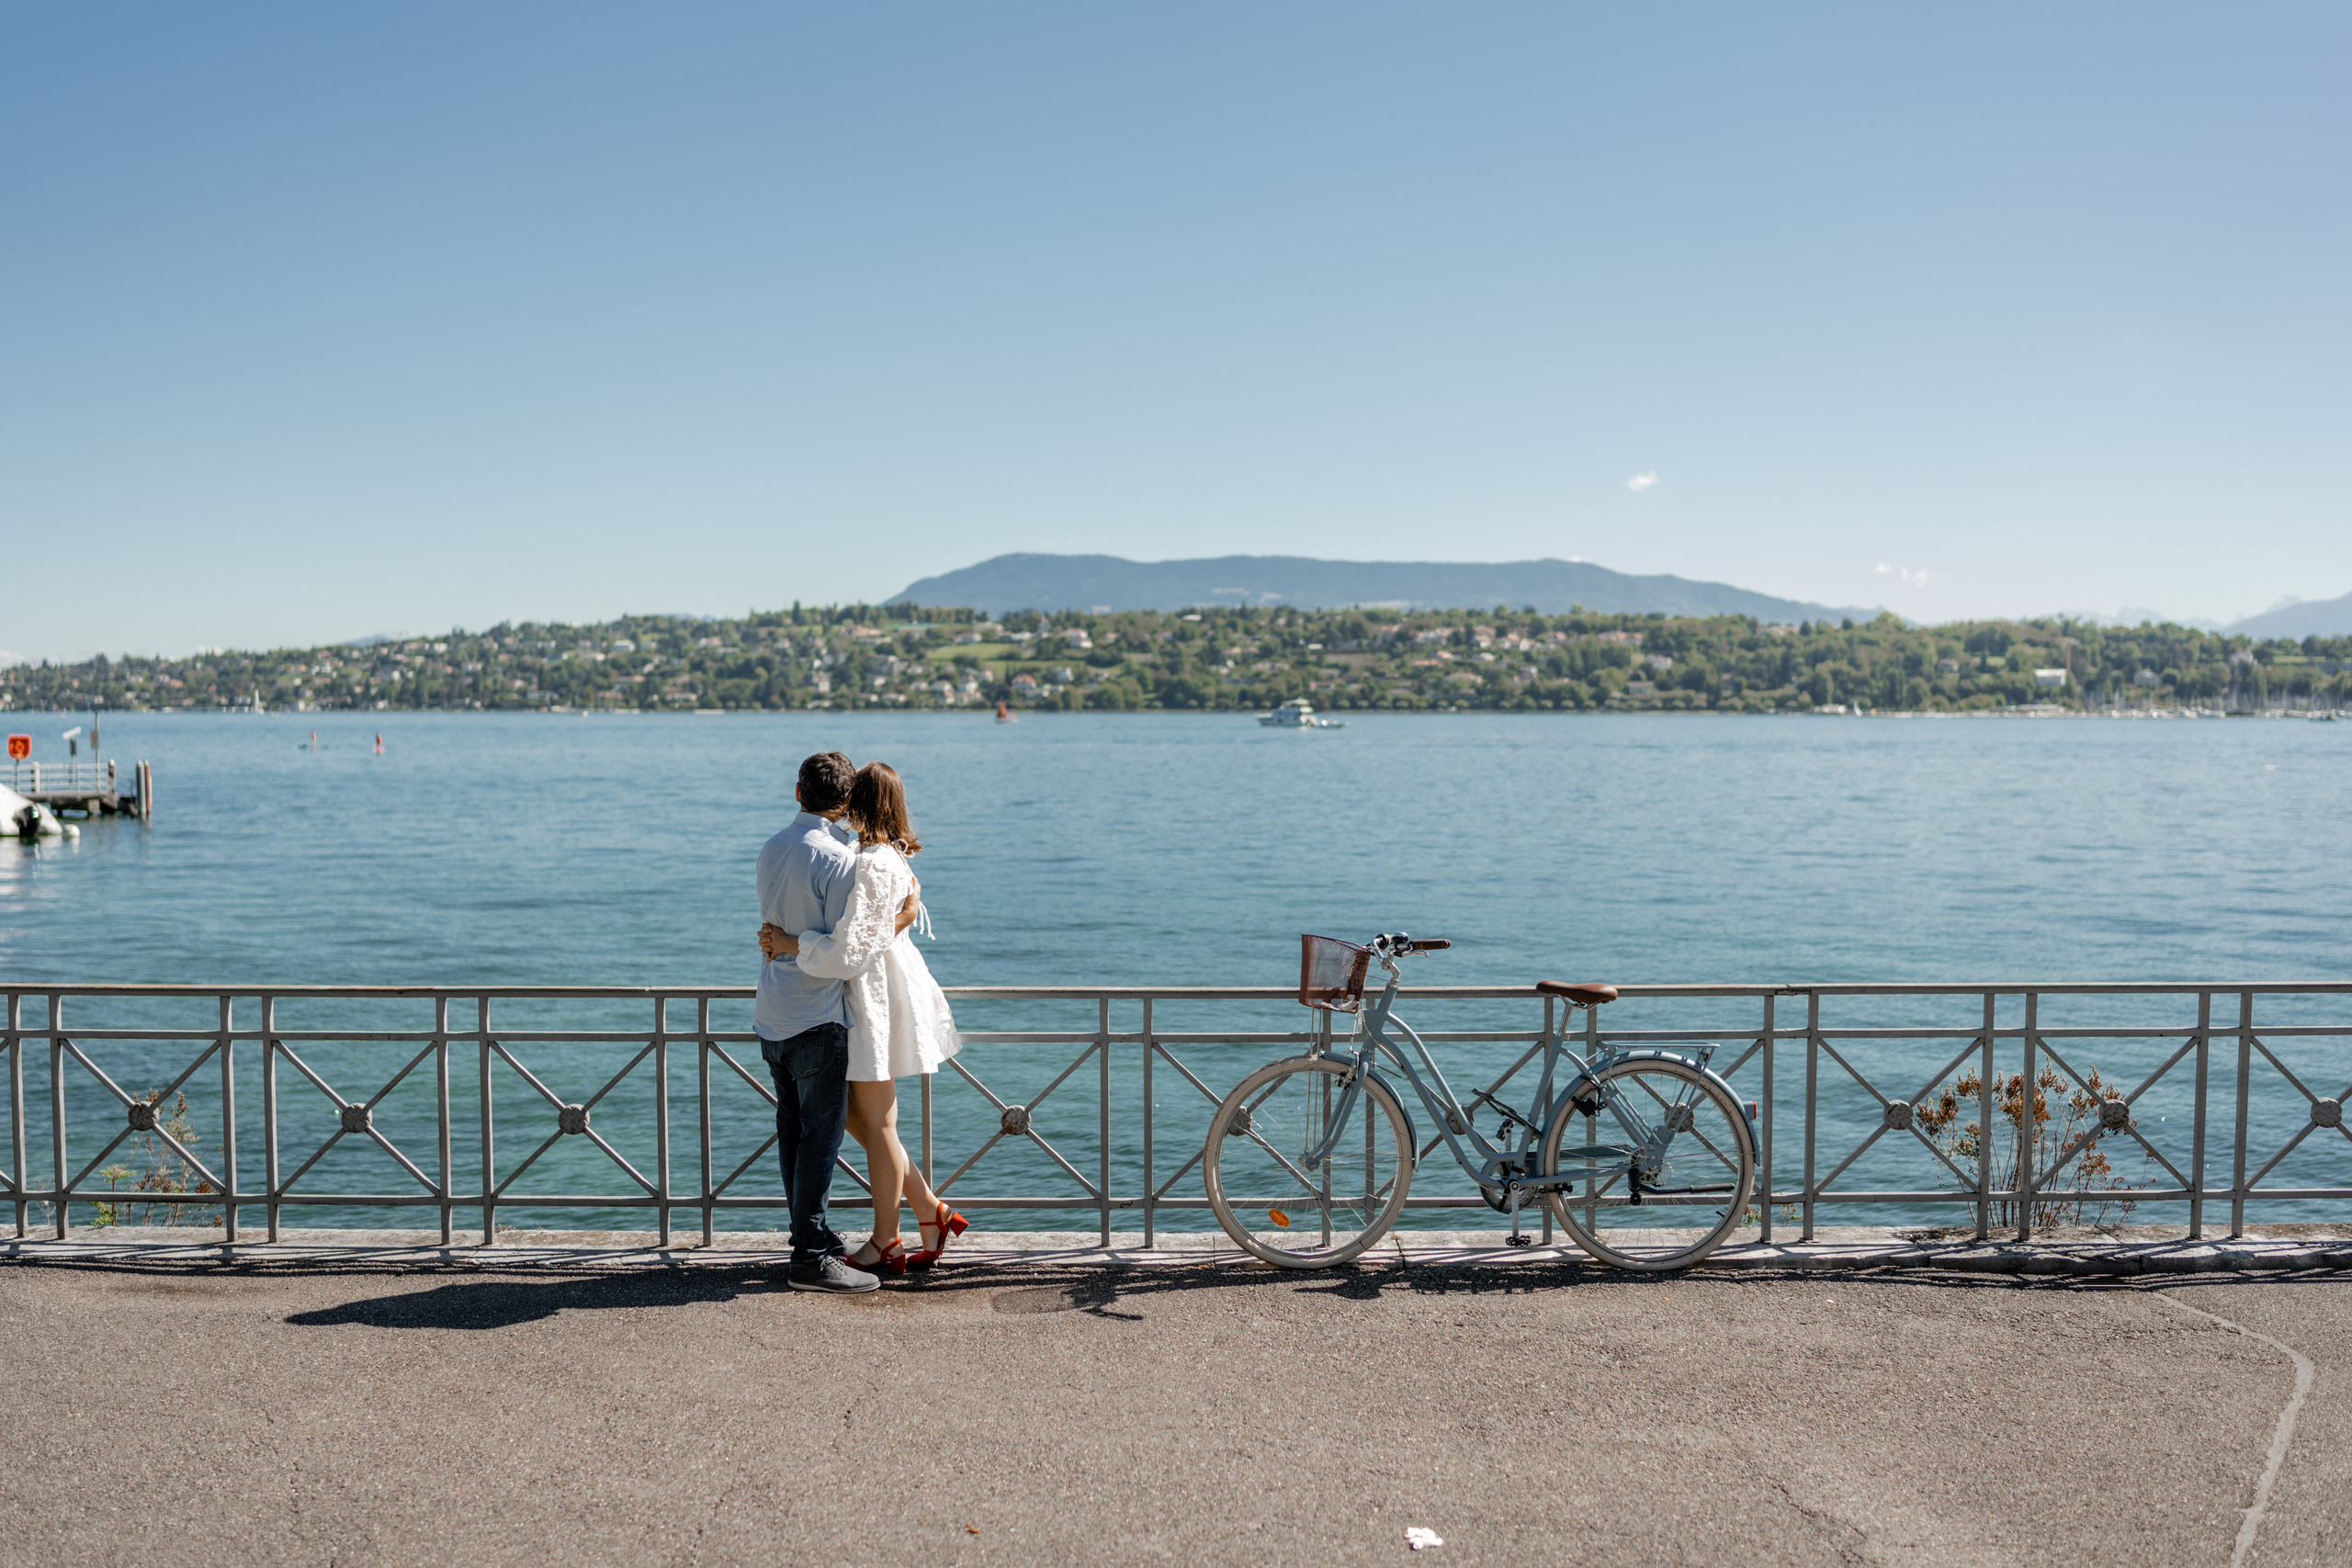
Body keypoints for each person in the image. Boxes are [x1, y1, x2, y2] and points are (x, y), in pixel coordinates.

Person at [761, 761, 966, 1277]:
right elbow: (876, 931)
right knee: (865, 1120)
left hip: (868, 1002)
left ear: (859, 803)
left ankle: (887, 1240)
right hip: (866, 998)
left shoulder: (868, 861)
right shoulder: (873, 856)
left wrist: (789, 943)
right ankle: (929, 1212)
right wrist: (899, 918)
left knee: (874, 1123)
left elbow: (854, 949)